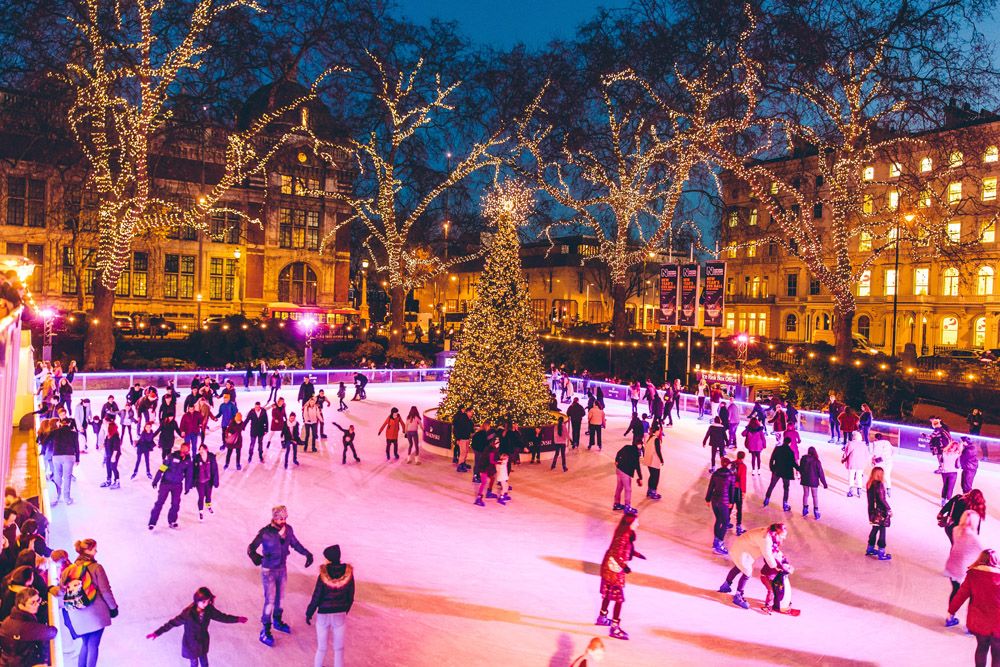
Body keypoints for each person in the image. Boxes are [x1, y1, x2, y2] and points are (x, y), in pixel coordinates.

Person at [247, 505, 314, 647]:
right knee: (270, 601)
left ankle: (277, 621)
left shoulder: (288, 529)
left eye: (285, 518)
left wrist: (307, 553)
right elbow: (251, 547)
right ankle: (265, 630)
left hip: (282, 569)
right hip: (269, 571)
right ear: (274, 518)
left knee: (280, 599)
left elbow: (295, 544)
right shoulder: (265, 533)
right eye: (280, 518)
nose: (283, 520)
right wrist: (255, 557)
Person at [147, 586, 247, 666]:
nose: (206, 604)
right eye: (204, 601)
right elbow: (171, 623)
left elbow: (222, 617)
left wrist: (237, 619)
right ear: (197, 600)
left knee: (204, 663)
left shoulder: (209, 610)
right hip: (191, 644)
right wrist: (157, 633)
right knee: (194, 663)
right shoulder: (188, 614)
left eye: (208, 601)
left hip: (202, 642)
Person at [61, 538, 118, 667]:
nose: (96, 551)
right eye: (93, 549)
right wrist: (113, 608)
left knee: (85, 643)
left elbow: (61, 590)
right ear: (87, 551)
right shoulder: (97, 568)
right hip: (95, 613)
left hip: (77, 614)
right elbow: (106, 591)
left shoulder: (69, 569)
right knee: (93, 646)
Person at [947, 549, 1000, 665]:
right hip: (998, 622)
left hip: (979, 619)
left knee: (981, 648)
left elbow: (961, 595)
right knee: (997, 653)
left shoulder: (973, 574)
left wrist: (951, 611)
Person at [597, 513, 645, 640]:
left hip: (610, 568)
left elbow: (623, 548)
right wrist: (625, 567)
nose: (638, 524)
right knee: (619, 599)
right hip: (614, 570)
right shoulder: (625, 534)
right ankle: (615, 627)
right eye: (636, 522)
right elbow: (616, 553)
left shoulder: (625, 533)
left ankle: (602, 617)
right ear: (630, 523)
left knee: (608, 594)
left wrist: (636, 554)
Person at [719, 523, 788, 610]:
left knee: (739, 567)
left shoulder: (770, 533)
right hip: (742, 549)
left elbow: (774, 550)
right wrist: (776, 567)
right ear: (777, 533)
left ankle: (725, 586)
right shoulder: (766, 539)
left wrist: (782, 557)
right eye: (783, 535)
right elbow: (768, 554)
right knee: (747, 572)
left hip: (744, 547)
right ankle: (738, 596)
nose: (784, 538)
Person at [307, 545, 356, 667]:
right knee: (339, 649)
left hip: (323, 614)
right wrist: (345, 609)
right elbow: (350, 595)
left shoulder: (323, 575)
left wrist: (309, 612)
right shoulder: (348, 574)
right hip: (340, 614)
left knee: (322, 648)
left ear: (329, 559)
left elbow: (316, 596)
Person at [944, 505, 985, 627]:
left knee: (955, 592)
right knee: (973, 597)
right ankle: (970, 625)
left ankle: (950, 617)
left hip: (952, 567)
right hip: (965, 571)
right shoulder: (973, 537)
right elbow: (984, 551)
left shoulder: (956, 530)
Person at [0, 587, 57, 666]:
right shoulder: (24, 627)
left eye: (38, 600)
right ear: (21, 606)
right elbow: (52, 632)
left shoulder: (9, 619)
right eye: (33, 603)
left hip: (8, 660)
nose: (37, 604)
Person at [148, 441, 194, 530]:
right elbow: (162, 468)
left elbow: (189, 475)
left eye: (186, 449)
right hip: (166, 483)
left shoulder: (188, 462)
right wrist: (156, 480)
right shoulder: (171, 456)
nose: (184, 450)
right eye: (183, 448)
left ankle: (172, 521)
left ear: (188, 450)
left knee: (175, 504)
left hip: (177, 485)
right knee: (159, 503)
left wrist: (187, 487)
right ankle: (152, 522)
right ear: (180, 448)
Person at [705, 457, 735, 555]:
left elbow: (710, 487)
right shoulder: (731, 475)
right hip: (724, 501)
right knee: (725, 522)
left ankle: (715, 542)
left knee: (718, 520)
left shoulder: (715, 474)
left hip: (715, 500)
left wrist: (708, 499)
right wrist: (731, 502)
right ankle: (720, 544)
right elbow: (732, 490)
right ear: (728, 464)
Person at [49, 416, 80, 506]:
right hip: (69, 456)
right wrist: (77, 458)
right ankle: (67, 498)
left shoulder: (55, 432)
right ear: (69, 423)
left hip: (57, 456)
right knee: (67, 477)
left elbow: (47, 440)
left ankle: (57, 497)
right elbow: (76, 447)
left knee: (57, 476)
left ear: (60, 423)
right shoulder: (74, 434)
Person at [865, 466, 893, 560]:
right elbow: (882, 499)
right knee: (882, 530)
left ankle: (870, 549)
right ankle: (881, 552)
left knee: (875, 529)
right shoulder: (879, 485)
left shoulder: (869, 483)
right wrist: (889, 509)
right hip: (880, 511)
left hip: (872, 511)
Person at [613, 437, 643, 515]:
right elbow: (637, 466)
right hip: (626, 473)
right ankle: (627, 507)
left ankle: (616, 504)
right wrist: (640, 477)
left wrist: (616, 460)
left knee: (619, 487)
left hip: (619, 469)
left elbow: (618, 453)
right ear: (639, 445)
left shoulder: (626, 446)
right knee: (628, 489)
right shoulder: (636, 452)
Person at [798, 446, 828, 520]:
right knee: (815, 496)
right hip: (813, 481)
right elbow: (821, 473)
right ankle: (816, 511)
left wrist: (802, 475)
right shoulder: (816, 461)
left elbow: (800, 469)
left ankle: (804, 510)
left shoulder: (803, 459)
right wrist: (824, 483)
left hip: (805, 480)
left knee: (805, 495)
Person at [192, 444, 220, 521]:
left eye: (202, 449)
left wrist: (216, 481)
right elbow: (193, 470)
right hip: (199, 482)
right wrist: (191, 482)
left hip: (208, 481)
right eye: (199, 449)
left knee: (208, 495)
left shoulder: (211, 458)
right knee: (201, 496)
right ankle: (200, 511)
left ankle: (208, 506)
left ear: (206, 449)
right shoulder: (196, 458)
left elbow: (215, 469)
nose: (201, 451)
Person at [643, 419, 664, 500]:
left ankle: (649, 491)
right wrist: (662, 460)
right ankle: (653, 492)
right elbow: (658, 451)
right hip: (654, 461)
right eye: (659, 431)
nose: (660, 432)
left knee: (652, 476)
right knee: (655, 477)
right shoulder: (656, 439)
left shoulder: (650, 438)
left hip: (649, 461)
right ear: (657, 431)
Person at [842, 432, 866, 498]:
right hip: (860, 464)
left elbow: (846, 453)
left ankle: (851, 491)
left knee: (851, 476)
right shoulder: (863, 444)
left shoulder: (850, 444)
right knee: (859, 477)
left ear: (854, 437)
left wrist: (843, 458)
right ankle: (859, 491)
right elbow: (867, 455)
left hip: (852, 463)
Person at [100, 421, 122, 489]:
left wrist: (113, 457)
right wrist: (102, 446)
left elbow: (116, 448)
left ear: (111, 428)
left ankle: (117, 482)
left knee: (113, 467)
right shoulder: (108, 435)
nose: (106, 427)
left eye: (108, 426)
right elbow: (106, 443)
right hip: (108, 454)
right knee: (108, 467)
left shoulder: (116, 436)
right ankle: (108, 480)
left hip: (114, 455)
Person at [940, 438, 963, 506]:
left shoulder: (944, 453)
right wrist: (961, 444)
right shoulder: (956, 454)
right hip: (952, 473)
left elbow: (944, 451)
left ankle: (943, 501)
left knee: (945, 486)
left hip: (944, 472)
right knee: (950, 487)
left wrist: (951, 443)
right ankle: (947, 501)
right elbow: (960, 451)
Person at [730, 451, 747, 535]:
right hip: (738, 489)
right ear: (743, 457)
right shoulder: (743, 466)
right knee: (739, 508)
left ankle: (726, 523)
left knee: (730, 505)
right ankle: (738, 527)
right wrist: (743, 491)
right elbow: (743, 479)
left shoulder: (732, 464)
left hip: (731, 487)